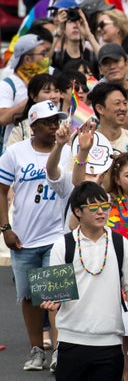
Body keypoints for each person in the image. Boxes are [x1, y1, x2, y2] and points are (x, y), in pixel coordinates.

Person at [42, 182, 128, 381]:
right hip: (71, 338)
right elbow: (56, 290)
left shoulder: (119, 242)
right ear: (78, 211)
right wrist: (54, 300)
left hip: (110, 340)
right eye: (94, 208)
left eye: (105, 207)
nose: (101, 212)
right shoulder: (64, 245)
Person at [0, 100, 70, 371]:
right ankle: (37, 349)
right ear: (33, 125)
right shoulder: (14, 152)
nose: (54, 126)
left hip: (57, 236)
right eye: (48, 122)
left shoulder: (65, 150)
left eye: (57, 121)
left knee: (56, 295)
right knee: (29, 298)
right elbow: (2, 191)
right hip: (24, 237)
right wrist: (5, 228)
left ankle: (58, 350)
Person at [0, 34, 52, 150]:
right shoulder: (8, 85)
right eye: (42, 54)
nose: (46, 59)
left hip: (43, 149)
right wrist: (34, 97)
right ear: (27, 59)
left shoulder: (49, 79)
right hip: (14, 150)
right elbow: (2, 118)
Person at [6, 73, 62, 146]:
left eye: (56, 91)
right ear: (33, 96)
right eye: (47, 92)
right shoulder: (22, 127)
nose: (54, 96)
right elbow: (11, 154)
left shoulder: (66, 124)